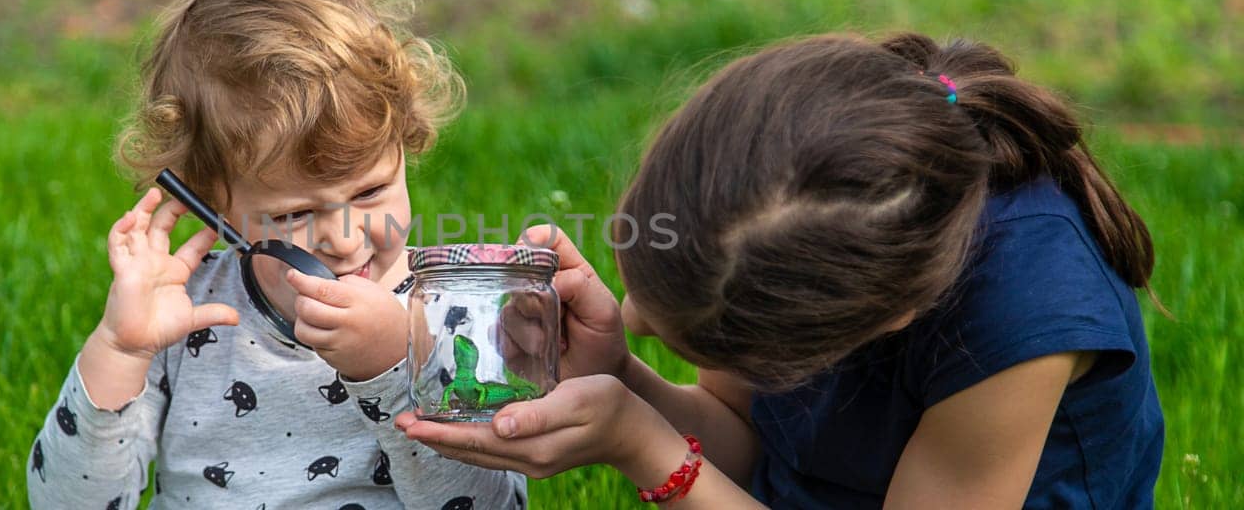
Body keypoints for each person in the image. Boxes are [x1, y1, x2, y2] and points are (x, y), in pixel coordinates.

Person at [398, 32, 1164, 508]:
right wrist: (622, 373)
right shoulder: (783, 192)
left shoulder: (1023, 321)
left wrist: (646, 450)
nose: (630, 312)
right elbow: (754, 443)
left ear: (875, 325)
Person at [28, 0, 524, 509]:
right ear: (213, 205)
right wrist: (120, 350)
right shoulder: (183, 314)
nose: (342, 239)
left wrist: (393, 370)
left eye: (369, 192)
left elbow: (493, 504)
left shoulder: (455, 308)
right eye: (293, 214)